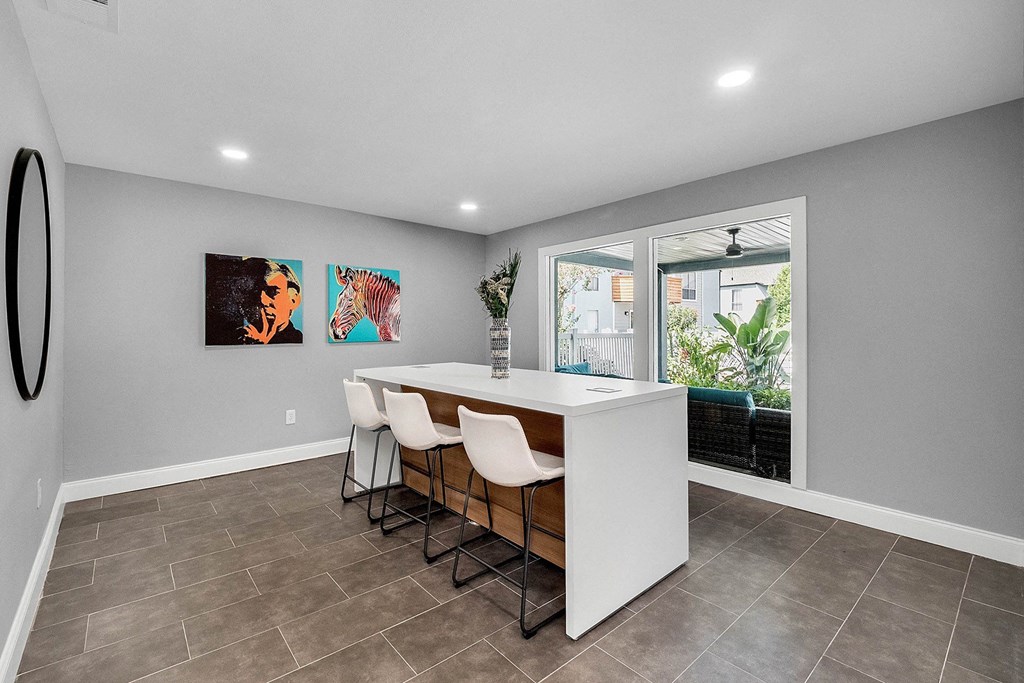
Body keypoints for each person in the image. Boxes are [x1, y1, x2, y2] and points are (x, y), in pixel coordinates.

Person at [240, 258, 303, 344]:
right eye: (255, 293)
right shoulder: (236, 338)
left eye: (273, 292)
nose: (263, 301)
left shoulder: (297, 341)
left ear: (293, 300)